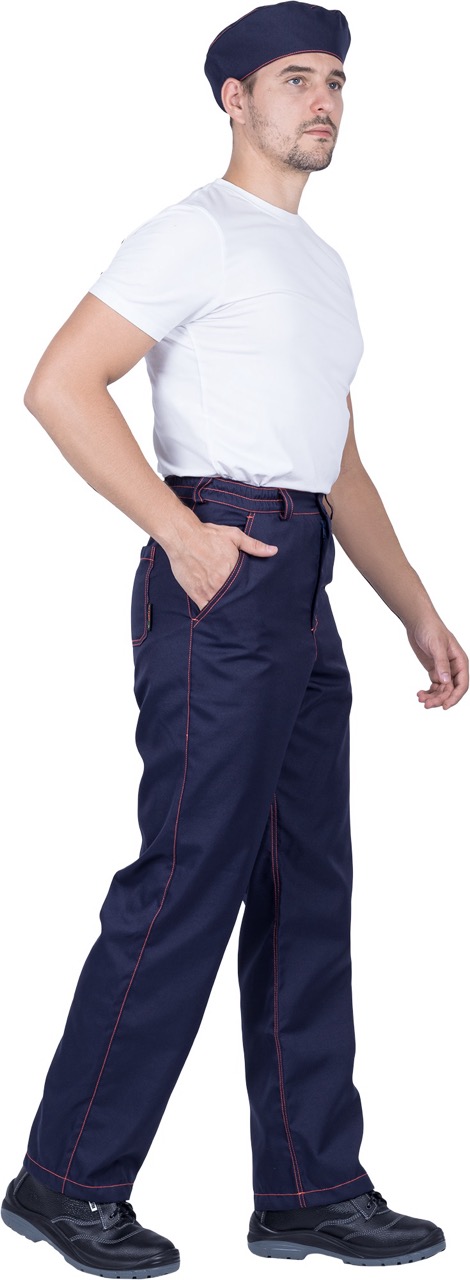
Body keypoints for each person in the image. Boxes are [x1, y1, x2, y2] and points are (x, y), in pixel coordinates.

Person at [2, 3, 467, 1274]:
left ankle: (308, 1186)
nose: (322, 100)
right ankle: (65, 1178)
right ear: (233, 99)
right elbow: (58, 381)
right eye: (294, 78)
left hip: (301, 580)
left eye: (336, 81)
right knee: (188, 877)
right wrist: (180, 534)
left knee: (309, 885)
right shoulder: (194, 229)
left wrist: (414, 605)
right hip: (224, 570)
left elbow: (338, 462)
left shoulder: (318, 264)